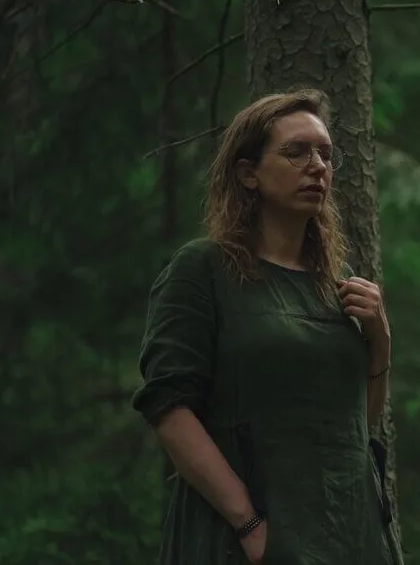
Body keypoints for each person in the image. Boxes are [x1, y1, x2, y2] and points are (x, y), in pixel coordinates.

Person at [130, 88, 401, 565]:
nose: (317, 166)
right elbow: (169, 408)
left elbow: (354, 424)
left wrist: (379, 344)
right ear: (247, 173)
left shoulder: (337, 283)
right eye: (296, 152)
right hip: (245, 539)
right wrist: (249, 523)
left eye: (325, 154)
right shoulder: (203, 269)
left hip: (348, 537)